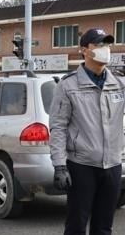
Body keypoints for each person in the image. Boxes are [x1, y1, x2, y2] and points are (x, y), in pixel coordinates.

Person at [49, 28, 124, 235]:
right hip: (81, 166)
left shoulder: (119, 83)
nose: (105, 49)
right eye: (99, 45)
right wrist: (59, 166)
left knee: (104, 227)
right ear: (84, 50)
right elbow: (58, 127)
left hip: (112, 166)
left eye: (107, 44)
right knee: (76, 225)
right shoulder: (68, 85)